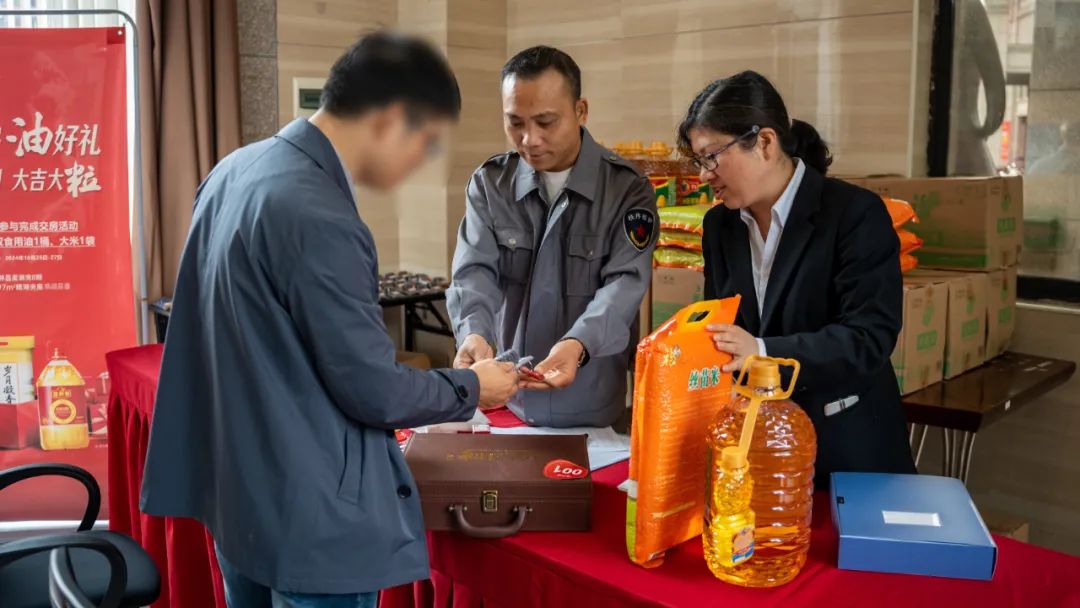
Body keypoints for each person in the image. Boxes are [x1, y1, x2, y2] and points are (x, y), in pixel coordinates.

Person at [140, 32, 520, 607]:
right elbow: (372, 390)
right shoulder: (319, 212)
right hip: (310, 513)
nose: (419, 163)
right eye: (425, 143)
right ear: (391, 120)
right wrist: (471, 387)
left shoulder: (234, 170)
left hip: (239, 494)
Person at [677, 71, 916, 489]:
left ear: (765, 143)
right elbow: (724, 328)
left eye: (711, 156)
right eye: (698, 161)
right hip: (758, 453)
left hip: (846, 451)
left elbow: (868, 338)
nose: (704, 175)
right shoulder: (720, 226)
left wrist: (762, 351)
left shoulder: (854, 214)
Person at [446, 46, 657, 428]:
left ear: (581, 111)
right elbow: (474, 271)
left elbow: (625, 284)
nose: (530, 139)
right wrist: (474, 333)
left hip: (590, 409)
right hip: (508, 403)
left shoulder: (626, 189)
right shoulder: (491, 184)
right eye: (515, 123)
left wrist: (579, 344)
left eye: (545, 122)